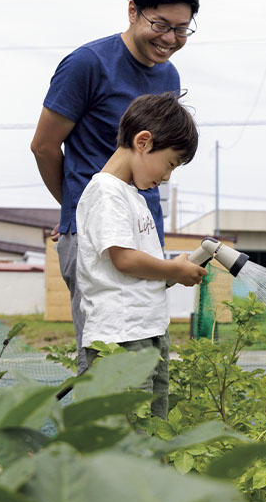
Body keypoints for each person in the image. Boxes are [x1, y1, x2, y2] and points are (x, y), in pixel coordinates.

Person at [30, 0, 199, 374]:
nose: (170, 39)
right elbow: (45, 145)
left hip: (145, 231)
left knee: (146, 351)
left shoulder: (169, 75)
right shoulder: (88, 64)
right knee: (106, 358)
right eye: (161, 24)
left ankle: (141, 439)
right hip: (100, 238)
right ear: (132, 11)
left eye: (182, 29)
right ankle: (98, 438)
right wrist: (81, 212)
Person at [76, 92, 205, 419]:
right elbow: (125, 259)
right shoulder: (107, 192)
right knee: (124, 437)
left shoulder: (132, 197)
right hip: (122, 337)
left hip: (145, 332)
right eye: (170, 164)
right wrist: (173, 271)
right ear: (144, 142)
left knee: (150, 430)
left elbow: (136, 271)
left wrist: (173, 271)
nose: (166, 177)